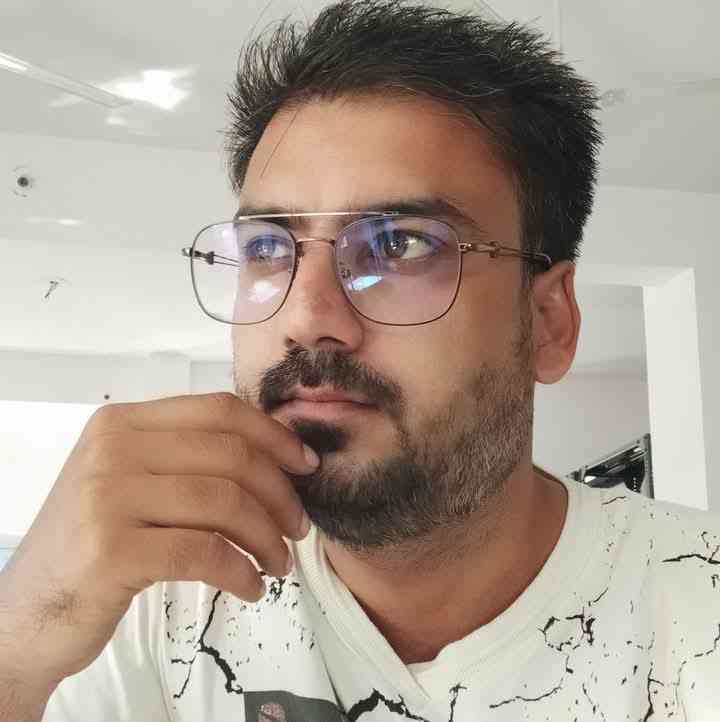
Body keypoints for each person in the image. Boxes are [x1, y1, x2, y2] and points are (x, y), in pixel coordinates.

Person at [1, 1, 719, 720]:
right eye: (267, 248)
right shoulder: (155, 606)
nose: (306, 316)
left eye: (401, 244)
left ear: (548, 322)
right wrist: (19, 642)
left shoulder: (697, 609)